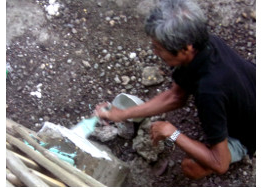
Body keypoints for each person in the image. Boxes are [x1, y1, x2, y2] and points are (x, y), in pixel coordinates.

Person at [95, 0, 255, 179]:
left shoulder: (209, 93)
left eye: (159, 48)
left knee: (191, 167)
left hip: (249, 134)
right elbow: (176, 97)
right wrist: (122, 114)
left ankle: (244, 151)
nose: (155, 52)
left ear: (185, 49)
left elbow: (220, 164)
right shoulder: (206, 43)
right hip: (251, 92)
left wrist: (172, 132)